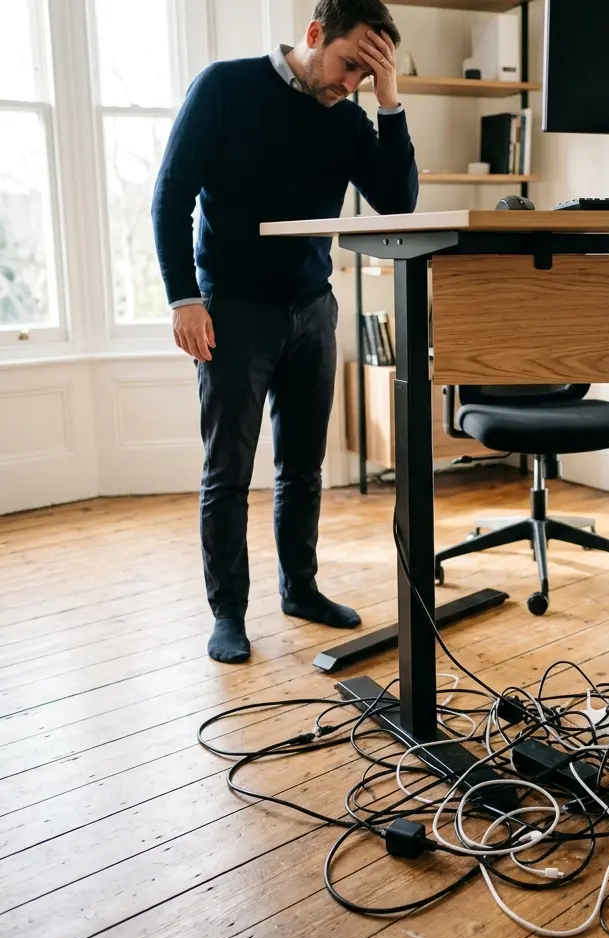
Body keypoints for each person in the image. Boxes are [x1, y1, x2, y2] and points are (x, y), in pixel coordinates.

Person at [151, 0, 417, 664]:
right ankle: (228, 614)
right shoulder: (225, 86)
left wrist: (389, 101)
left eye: (366, 75)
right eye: (349, 63)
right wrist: (185, 299)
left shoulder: (349, 118)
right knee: (228, 471)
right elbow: (170, 196)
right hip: (232, 310)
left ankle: (300, 589)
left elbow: (397, 204)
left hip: (312, 309)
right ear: (314, 33)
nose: (350, 83)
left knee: (302, 466)